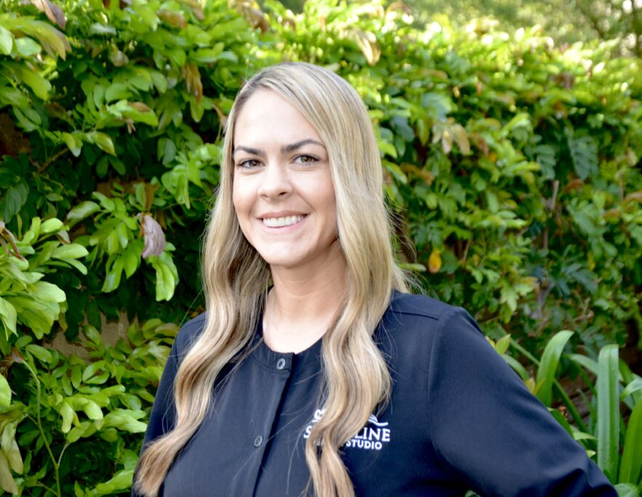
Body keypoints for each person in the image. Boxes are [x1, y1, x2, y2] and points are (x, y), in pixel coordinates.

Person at [132, 62, 615, 496]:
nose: (273, 185)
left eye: (304, 158)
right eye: (250, 162)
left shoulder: (430, 352)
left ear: (350, 174)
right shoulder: (200, 350)